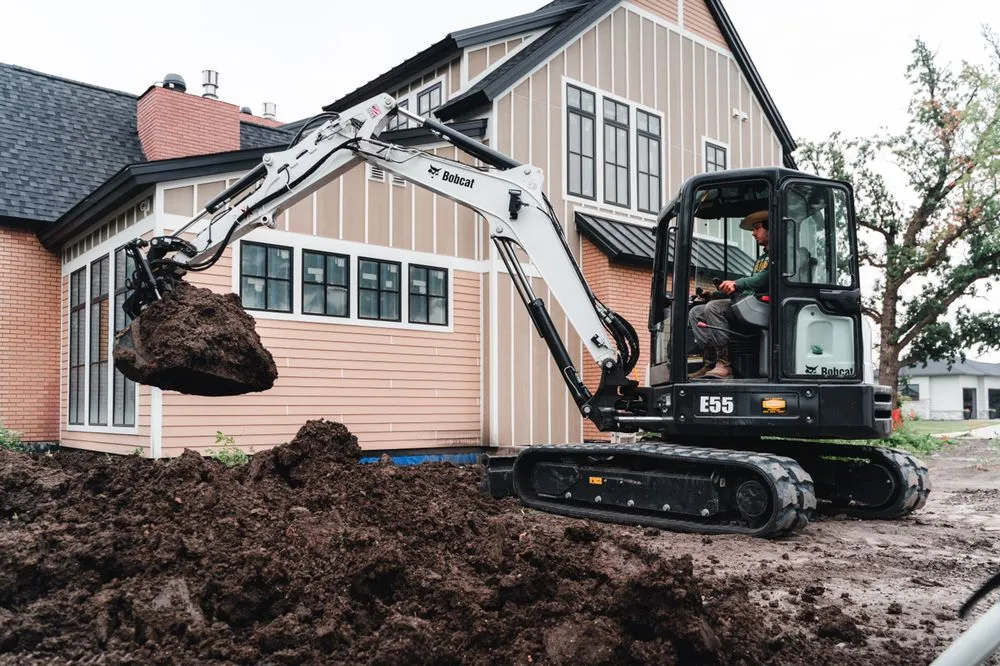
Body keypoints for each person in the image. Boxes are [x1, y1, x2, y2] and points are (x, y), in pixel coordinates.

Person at [688, 209, 770, 379]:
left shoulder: (780, 256)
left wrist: (736, 283)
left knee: (713, 309)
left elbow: (761, 279)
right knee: (696, 312)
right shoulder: (762, 259)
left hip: (764, 306)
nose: (753, 233)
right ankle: (711, 362)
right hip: (750, 302)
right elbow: (747, 289)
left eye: (757, 228)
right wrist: (714, 295)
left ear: (772, 229)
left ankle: (724, 363)